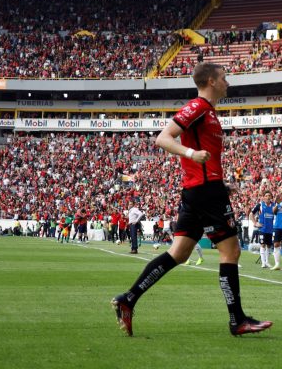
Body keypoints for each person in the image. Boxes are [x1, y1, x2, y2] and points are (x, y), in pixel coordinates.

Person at [111, 62, 272, 337]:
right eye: (224, 77)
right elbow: (163, 138)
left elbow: (202, 157)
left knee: (179, 253)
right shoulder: (198, 107)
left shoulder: (209, 112)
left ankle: (129, 298)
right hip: (205, 193)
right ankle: (237, 320)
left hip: (202, 190)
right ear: (210, 80)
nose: (228, 82)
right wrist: (190, 153)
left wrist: (220, 182)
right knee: (230, 252)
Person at [250, 191, 276, 269]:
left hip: (270, 229)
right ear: (264, 197)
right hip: (262, 229)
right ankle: (263, 263)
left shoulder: (274, 205)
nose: (268, 197)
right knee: (262, 245)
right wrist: (255, 223)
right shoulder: (260, 205)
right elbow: (251, 214)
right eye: (266, 195)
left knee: (269, 245)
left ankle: (267, 262)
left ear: (271, 197)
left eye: (269, 195)